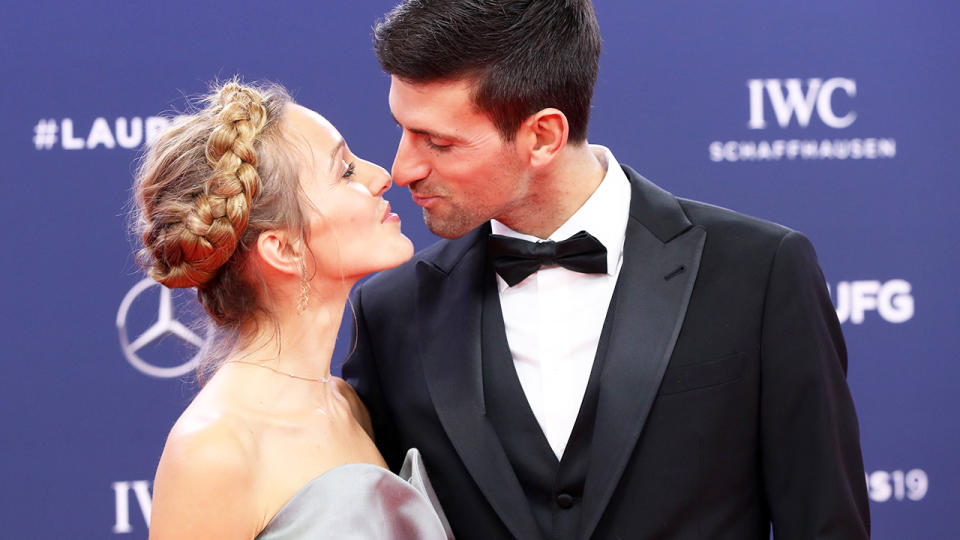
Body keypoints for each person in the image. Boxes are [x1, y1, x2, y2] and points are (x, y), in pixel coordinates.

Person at [342, 1, 871, 539]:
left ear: (543, 136)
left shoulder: (760, 272)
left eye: (439, 142)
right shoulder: (391, 311)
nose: (403, 168)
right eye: (404, 131)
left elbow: (825, 523)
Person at [136, 80, 452, 539]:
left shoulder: (348, 406)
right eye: (345, 171)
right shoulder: (214, 451)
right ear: (283, 248)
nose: (382, 175)